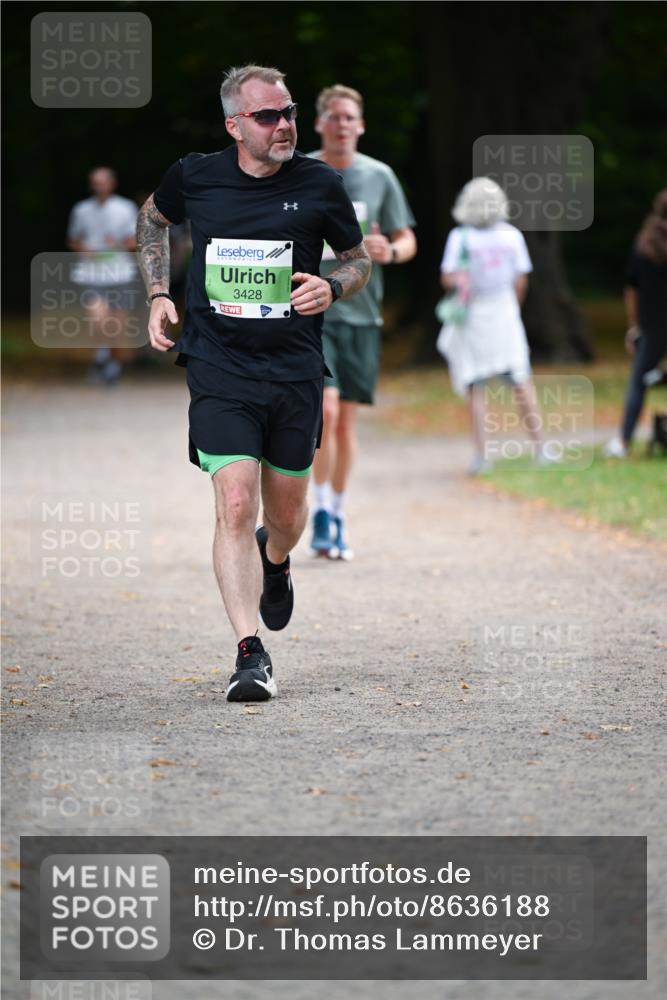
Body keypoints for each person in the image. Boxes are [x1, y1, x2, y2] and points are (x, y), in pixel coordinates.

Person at [136, 65, 370, 702]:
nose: (285, 125)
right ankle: (249, 653)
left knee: (287, 516)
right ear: (235, 125)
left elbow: (357, 261)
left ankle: (277, 557)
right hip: (219, 366)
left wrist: (333, 285)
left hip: (294, 369)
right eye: (268, 116)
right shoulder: (196, 174)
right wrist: (159, 293)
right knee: (235, 502)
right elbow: (153, 219)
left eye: (289, 112)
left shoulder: (321, 183)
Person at [308, 85, 416, 559]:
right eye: (333, 117)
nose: (342, 124)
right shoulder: (301, 171)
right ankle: (317, 511)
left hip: (363, 314)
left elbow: (407, 238)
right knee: (324, 413)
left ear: (362, 125)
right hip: (312, 309)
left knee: (346, 423)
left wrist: (388, 251)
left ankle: (338, 510)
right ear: (319, 124)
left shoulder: (380, 176)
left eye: (350, 117)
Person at [438, 177, 549, 474]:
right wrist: (513, 307)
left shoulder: (460, 237)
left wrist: (461, 281)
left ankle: (482, 455)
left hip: (473, 311)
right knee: (520, 379)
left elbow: (447, 277)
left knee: (476, 384)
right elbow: (521, 279)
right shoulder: (512, 236)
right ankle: (540, 446)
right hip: (505, 310)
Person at [604, 189, 667, 458]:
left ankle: (623, 441)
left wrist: (634, 325)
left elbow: (632, 290)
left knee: (638, 383)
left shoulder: (644, 244)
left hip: (652, 325)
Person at [67, 167, 138, 384]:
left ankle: (112, 365)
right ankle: (101, 353)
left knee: (117, 325)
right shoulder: (81, 210)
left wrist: (115, 243)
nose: (99, 187)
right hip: (91, 273)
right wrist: (84, 249)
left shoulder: (126, 208)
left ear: (112, 183)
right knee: (98, 319)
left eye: (103, 182)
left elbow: (135, 241)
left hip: (120, 273)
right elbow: (72, 239)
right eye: (95, 182)